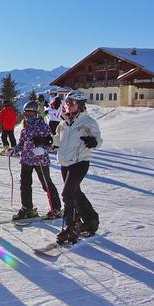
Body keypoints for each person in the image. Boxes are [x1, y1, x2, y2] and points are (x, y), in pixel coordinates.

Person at [52, 90, 102, 245]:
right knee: (75, 193)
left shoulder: (88, 122)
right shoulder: (64, 122)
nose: (68, 105)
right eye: (66, 102)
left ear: (80, 105)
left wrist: (92, 142)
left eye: (71, 103)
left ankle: (71, 227)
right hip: (65, 162)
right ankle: (91, 220)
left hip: (80, 162)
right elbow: (57, 141)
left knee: (67, 194)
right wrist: (47, 140)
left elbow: (98, 139)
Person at [9, 100, 61, 220]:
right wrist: (14, 150)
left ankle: (56, 208)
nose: (28, 115)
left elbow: (50, 142)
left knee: (46, 184)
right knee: (25, 184)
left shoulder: (43, 126)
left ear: (36, 113)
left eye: (31, 113)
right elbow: (22, 144)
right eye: (26, 113)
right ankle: (27, 208)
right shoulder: (24, 128)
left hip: (40, 160)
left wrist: (43, 147)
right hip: (26, 160)